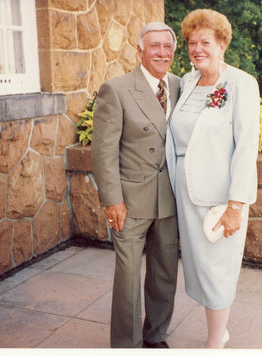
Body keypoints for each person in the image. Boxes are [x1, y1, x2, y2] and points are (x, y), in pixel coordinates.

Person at [166, 9, 260, 348]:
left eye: (205, 41)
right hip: (186, 195)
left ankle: (214, 342)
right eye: (192, 42)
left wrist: (236, 205)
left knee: (218, 270)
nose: (197, 48)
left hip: (221, 200)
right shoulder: (188, 83)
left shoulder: (241, 84)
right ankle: (218, 331)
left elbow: (246, 148)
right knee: (201, 270)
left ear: (222, 44)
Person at [91, 22, 180, 349]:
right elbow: (103, 151)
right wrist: (112, 200)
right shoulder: (116, 89)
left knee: (164, 274)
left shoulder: (181, 86)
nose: (161, 52)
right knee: (128, 279)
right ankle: (126, 345)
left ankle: (156, 336)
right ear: (139, 50)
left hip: (169, 200)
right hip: (129, 201)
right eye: (154, 46)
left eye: (167, 46)